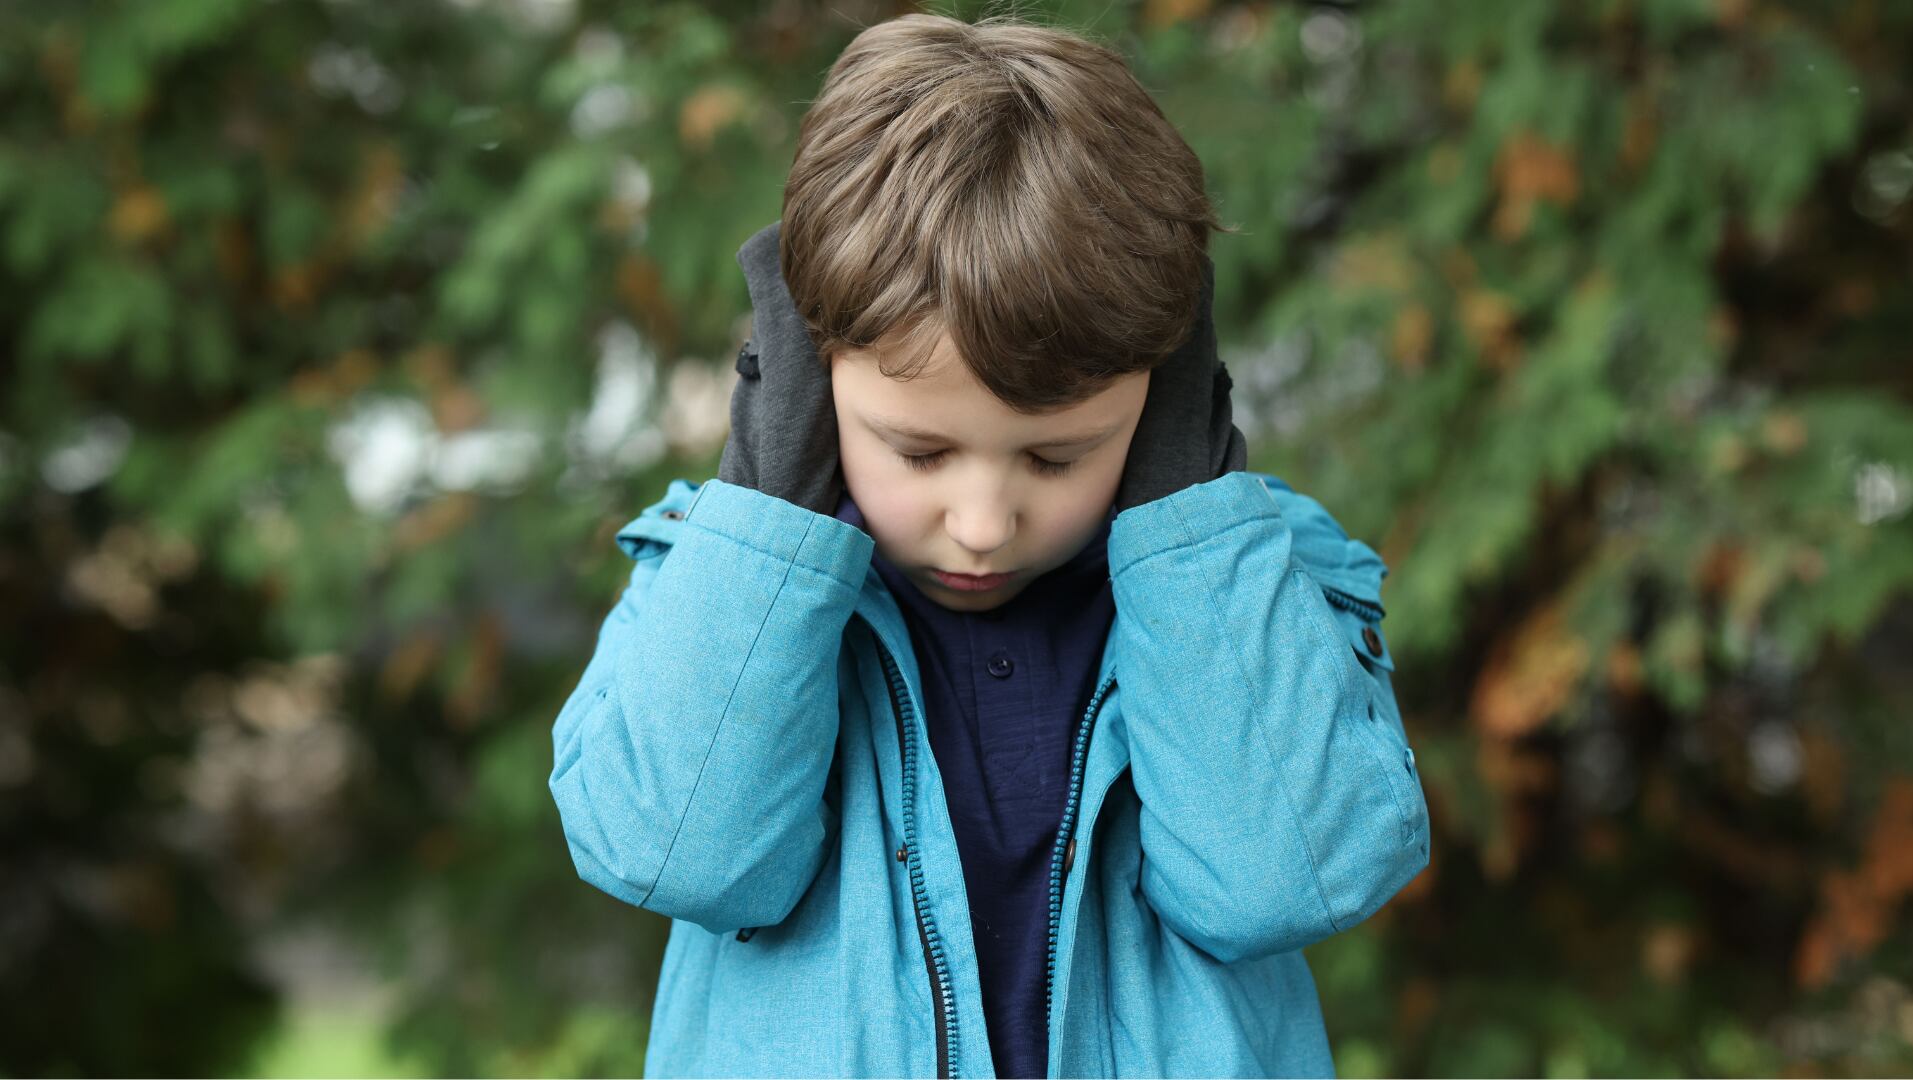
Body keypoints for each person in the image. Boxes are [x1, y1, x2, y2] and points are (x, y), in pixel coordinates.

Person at [548, 12, 1429, 1078]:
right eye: (917, 453)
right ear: (814, 376)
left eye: (1057, 459)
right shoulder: (722, 570)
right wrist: (771, 504)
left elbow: (1285, 876)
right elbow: (673, 851)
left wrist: (1184, 512)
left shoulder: (1251, 574)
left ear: (1161, 397)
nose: (982, 523)